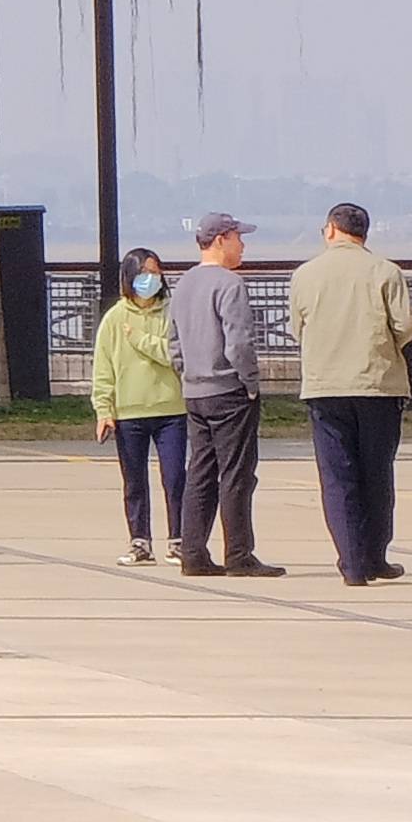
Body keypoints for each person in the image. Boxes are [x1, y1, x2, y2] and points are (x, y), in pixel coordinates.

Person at [293, 200, 412, 586]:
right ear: (364, 232)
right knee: (376, 474)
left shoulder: (306, 274)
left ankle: (351, 561)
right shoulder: (386, 271)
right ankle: (375, 555)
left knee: (337, 476)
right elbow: (406, 324)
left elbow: (299, 327)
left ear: (331, 229)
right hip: (378, 385)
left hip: (325, 386)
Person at [168, 213, 280, 577]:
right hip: (229, 390)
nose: (243, 245)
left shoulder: (183, 284)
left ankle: (193, 552)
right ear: (220, 240)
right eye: (237, 238)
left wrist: (187, 372)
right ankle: (239, 553)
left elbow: (173, 342)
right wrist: (250, 382)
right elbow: (239, 342)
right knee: (236, 474)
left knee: (200, 471)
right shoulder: (229, 284)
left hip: (195, 390)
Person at [89, 245, 189, 564]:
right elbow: (103, 369)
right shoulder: (115, 319)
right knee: (134, 480)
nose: (151, 278)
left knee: (175, 477)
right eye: (145, 272)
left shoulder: (174, 312)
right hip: (129, 412)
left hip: (171, 410)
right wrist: (104, 410)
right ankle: (139, 541)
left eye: (156, 271)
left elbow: (176, 355)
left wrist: (141, 341)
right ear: (130, 276)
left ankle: (179, 539)